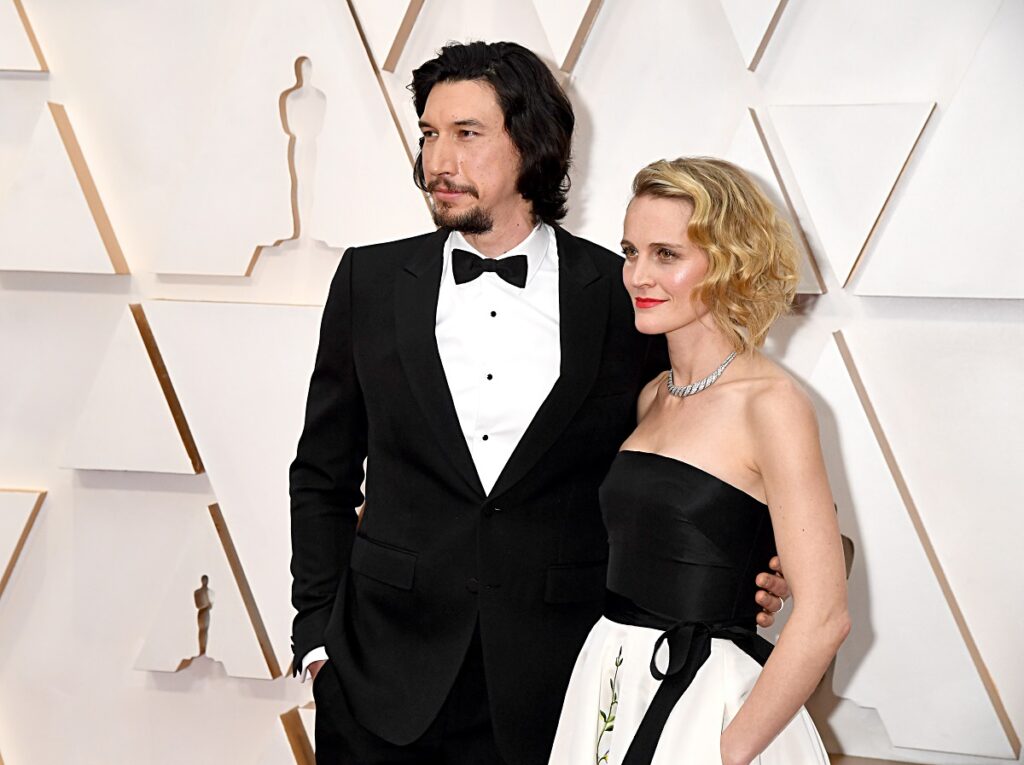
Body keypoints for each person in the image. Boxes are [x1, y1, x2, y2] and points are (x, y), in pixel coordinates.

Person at [288, 43, 789, 765]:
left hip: (560, 688)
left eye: (466, 133)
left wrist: (763, 565)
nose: (437, 161)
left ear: (531, 143)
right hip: (378, 681)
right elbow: (321, 474)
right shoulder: (368, 281)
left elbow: (702, 450)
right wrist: (316, 640)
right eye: (429, 134)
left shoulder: (624, 296)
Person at [547, 157, 850, 765]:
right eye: (631, 252)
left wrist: (727, 750)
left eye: (667, 254)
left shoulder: (773, 404)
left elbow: (824, 616)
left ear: (730, 262)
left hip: (708, 701)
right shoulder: (653, 395)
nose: (638, 275)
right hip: (611, 683)